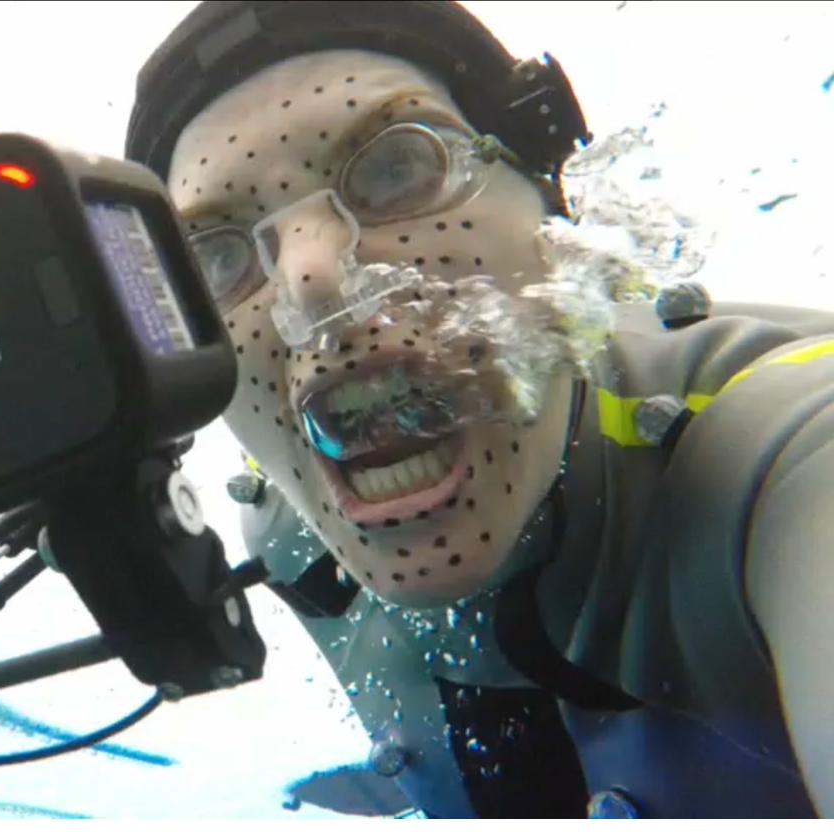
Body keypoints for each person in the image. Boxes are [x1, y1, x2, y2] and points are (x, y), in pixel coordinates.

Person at [123, 0, 834, 818]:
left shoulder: (779, 447)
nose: (310, 281)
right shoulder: (284, 536)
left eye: (398, 168)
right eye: (214, 258)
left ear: (551, 206)